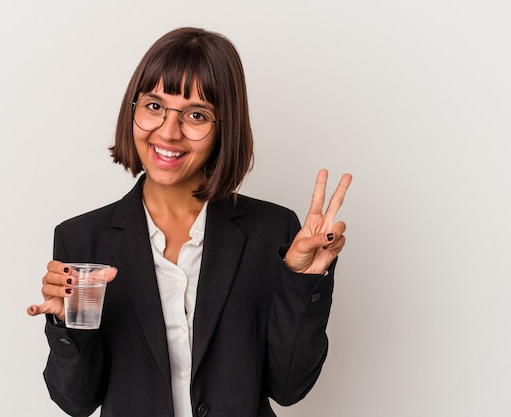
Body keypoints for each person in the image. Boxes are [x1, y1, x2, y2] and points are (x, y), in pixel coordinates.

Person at [28, 27, 352, 417]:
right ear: (133, 110)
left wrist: (302, 281)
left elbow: (288, 387)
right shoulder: (82, 238)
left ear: (224, 127)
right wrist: (67, 326)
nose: (168, 131)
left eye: (196, 115)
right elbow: (77, 400)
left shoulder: (273, 231)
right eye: (153, 106)